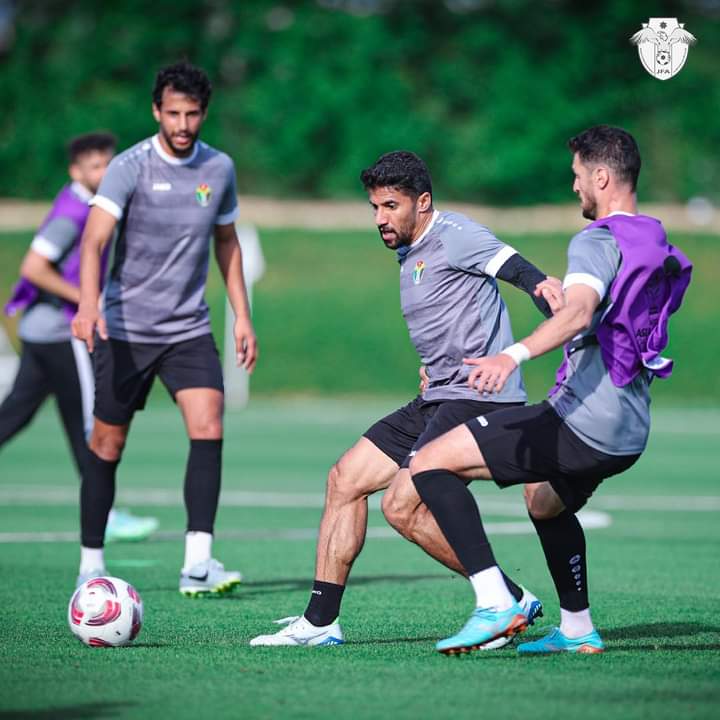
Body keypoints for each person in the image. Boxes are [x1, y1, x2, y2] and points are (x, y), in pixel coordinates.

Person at [250, 150, 559, 647]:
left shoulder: (456, 233)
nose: (380, 218)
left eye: (390, 206)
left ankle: (502, 600)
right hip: (438, 394)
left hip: (479, 396)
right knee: (345, 479)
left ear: (423, 202)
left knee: (401, 504)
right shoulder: (411, 249)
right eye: (375, 207)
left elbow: (523, 273)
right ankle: (321, 622)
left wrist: (556, 303)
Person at [408, 125, 692, 655]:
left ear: (601, 177)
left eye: (578, 175)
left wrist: (510, 355)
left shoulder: (596, 239)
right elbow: (603, 316)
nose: (574, 185)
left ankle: (497, 603)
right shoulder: (652, 238)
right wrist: (569, 314)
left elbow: (581, 311)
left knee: (429, 464)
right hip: (629, 429)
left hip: (583, 422)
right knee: (544, 501)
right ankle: (578, 629)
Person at [71, 62, 258, 595]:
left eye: (192, 114)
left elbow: (227, 242)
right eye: (173, 113)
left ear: (204, 113)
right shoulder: (128, 167)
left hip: (186, 328)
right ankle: (90, 564)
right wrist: (88, 305)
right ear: (157, 111)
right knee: (107, 443)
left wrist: (242, 315)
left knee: (209, 424)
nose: (182, 124)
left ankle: (197, 563)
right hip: (126, 329)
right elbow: (93, 242)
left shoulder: (219, 168)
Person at [1, 132, 158, 544]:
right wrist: (88, 299)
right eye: (94, 166)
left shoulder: (94, 203)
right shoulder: (71, 213)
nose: (104, 172)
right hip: (61, 333)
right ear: (75, 171)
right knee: (91, 421)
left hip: (42, 332)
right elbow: (33, 267)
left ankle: (103, 511)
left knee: (16, 414)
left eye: (108, 164)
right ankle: (105, 515)